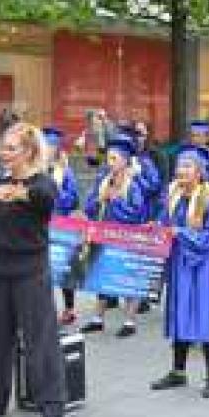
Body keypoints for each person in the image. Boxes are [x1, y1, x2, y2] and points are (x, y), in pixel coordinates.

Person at [0, 122, 67, 417]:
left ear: (29, 152)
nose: (3, 153)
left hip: (31, 272)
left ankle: (52, 406)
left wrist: (8, 192)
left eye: (11, 149)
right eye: (4, 147)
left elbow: (43, 197)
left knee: (40, 340)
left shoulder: (42, 182)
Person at [150, 145, 209, 399]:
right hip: (179, 264)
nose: (181, 171)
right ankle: (178, 372)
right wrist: (155, 226)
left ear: (200, 172)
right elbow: (165, 222)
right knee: (179, 313)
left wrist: (179, 233)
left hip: (202, 267)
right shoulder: (173, 195)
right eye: (180, 166)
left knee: (203, 315)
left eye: (187, 166)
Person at [80, 138, 146, 337]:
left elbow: (137, 214)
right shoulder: (103, 181)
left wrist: (115, 201)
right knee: (102, 276)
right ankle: (97, 319)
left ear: (125, 161)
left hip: (125, 239)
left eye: (114, 158)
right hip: (104, 236)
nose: (110, 162)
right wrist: (101, 199)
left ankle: (129, 321)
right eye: (108, 158)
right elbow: (89, 208)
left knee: (127, 278)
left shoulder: (134, 185)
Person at [40, 128, 82, 326]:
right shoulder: (35, 169)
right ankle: (44, 310)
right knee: (41, 269)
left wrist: (56, 189)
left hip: (60, 225)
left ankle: (69, 308)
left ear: (57, 149)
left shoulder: (64, 171)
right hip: (38, 225)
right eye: (46, 145)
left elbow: (73, 200)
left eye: (52, 146)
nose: (48, 149)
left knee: (64, 268)